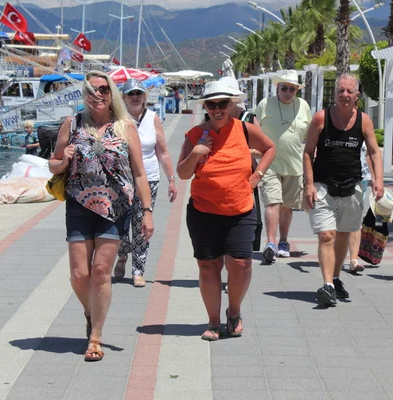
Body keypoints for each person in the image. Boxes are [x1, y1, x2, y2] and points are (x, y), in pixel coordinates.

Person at [48, 70, 154, 361]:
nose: (98, 95)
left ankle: (95, 337)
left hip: (115, 208)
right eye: (92, 90)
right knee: (80, 275)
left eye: (104, 90)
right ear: (84, 94)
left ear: (112, 95)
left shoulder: (124, 127)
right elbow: (54, 165)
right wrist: (65, 158)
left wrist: (147, 212)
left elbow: (140, 174)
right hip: (79, 206)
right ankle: (89, 311)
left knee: (100, 272)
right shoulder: (72, 124)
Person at [177, 81, 276, 341]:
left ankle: (234, 311)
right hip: (204, 211)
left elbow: (270, 148)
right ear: (206, 107)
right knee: (208, 266)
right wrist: (196, 153)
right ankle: (213, 321)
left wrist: (258, 175)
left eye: (223, 103)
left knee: (241, 264)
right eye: (212, 104)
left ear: (232, 104)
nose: (218, 109)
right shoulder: (195, 135)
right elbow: (182, 174)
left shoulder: (244, 129)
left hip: (240, 209)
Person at [303, 73, 384, 307]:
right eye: (341, 91)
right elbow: (308, 152)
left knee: (344, 234)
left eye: (350, 91)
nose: (345, 95)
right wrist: (309, 184)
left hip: (353, 186)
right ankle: (327, 285)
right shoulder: (321, 118)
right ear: (335, 93)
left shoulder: (364, 121)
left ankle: (336, 278)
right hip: (323, 185)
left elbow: (374, 151)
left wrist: (378, 179)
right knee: (327, 234)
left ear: (357, 96)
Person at [115, 79, 178, 287]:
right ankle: (123, 252)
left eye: (138, 93)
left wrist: (171, 179)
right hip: (122, 180)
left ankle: (138, 270)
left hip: (149, 178)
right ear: (123, 97)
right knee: (120, 226)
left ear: (144, 97)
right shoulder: (117, 119)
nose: (134, 96)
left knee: (142, 224)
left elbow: (162, 151)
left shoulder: (153, 118)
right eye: (130, 93)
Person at [255, 70, 312, 262]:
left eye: (292, 89)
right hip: (269, 164)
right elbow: (254, 130)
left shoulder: (303, 106)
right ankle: (270, 242)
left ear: (297, 90)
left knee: (287, 207)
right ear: (277, 87)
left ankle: (284, 241)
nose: (287, 92)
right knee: (272, 202)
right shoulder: (265, 104)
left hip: (294, 166)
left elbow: (310, 136)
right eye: (284, 88)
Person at [347, 142, 375, 273]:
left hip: (360, 178)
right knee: (336, 219)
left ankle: (353, 259)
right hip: (334, 179)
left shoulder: (363, 126)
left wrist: (374, 178)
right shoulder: (330, 124)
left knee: (355, 217)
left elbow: (369, 154)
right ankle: (333, 254)